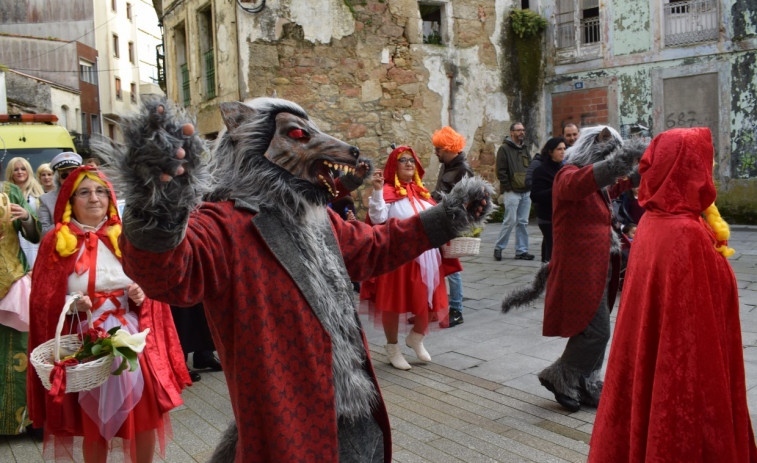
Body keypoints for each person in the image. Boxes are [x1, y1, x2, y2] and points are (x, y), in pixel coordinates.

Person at [105, 97, 491, 462]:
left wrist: (447, 217)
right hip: (288, 423)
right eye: (295, 134)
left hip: (356, 414)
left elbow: (374, 246)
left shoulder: (318, 220)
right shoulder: (223, 223)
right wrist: (158, 203)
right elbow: (166, 274)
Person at [588, 127, 757, 462]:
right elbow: (691, 339)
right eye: (702, 163)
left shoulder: (655, 219)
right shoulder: (684, 232)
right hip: (685, 377)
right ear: (687, 168)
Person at [26, 166, 191, 463]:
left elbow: (150, 284)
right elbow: (41, 300)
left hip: (131, 336)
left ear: (111, 197)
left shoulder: (127, 236)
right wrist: (70, 303)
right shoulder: (55, 242)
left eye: (101, 191)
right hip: (83, 341)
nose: (94, 198)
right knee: (93, 421)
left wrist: (142, 293)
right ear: (70, 200)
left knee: (143, 413)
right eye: (85, 192)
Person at [361, 146, 462, 370]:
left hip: (427, 257)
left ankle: (416, 337)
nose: (409, 163)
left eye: (412, 160)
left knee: (427, 300)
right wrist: (377, 191)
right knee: (393, 304)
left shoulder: (422, 193)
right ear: (393, 166)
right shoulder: (386, 191)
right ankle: (392, 347)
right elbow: (377, 220)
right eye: (403, 160)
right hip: (399, 258)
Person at [0, 177, 40, 436]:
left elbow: (34, 234)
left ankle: (25, 420)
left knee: (20, 352)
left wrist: (26, 215)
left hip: (12, 283)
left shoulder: (9, 191)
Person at [431, 126, 472, 327]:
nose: (435, 152)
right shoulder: (446, 166)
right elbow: (440, 192)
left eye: (437, 149)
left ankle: (457, 310)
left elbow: (469, 200)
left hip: (451, 225)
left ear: (447, 148)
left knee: (452, 269)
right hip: (438, 221)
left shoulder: (463, 169)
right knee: (434, 265)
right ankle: (433, 308)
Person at [494, 122, 534, 261]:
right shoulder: (504, 149)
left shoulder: (525, 148)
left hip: (526, 191)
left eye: (523, 130)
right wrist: (508, 187)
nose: (522, 132)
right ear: (512, 132)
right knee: (510, 221)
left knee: (523, 222)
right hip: (512, 192)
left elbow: (530, 166)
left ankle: (521, 251)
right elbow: (500, 170)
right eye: (519, 130)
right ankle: (499, 248)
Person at [529, 137, 566, 263]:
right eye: (559, 149)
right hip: (546, 216)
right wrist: (556, 189)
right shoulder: (541, 170)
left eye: (564, 149)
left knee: (549, 246)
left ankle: (545, 273)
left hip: (560, 215)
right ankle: (548, 276)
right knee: (552, 248)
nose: (562, 152)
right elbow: (535, 195)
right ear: (550, 152)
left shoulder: (563, 169)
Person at [5, 157, 45, 266]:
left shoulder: (38, 193)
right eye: (15, 169)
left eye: (23, 169)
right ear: (10, 172)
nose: (20, 172)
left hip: (35, 240)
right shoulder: (5, 194)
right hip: (14, 241)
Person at [38, 152, 82, 236]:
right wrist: (67, 221)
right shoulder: (46, 199)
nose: (70, 178)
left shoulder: (91, 195)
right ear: (58, 179)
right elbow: (44, 232)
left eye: (74, 174)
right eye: (65, 175)